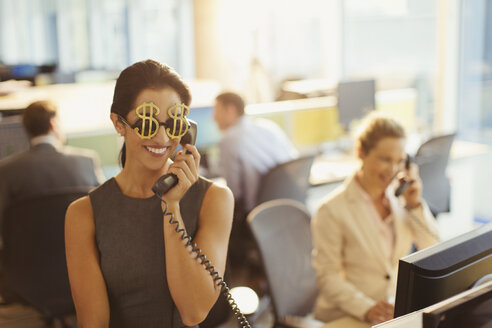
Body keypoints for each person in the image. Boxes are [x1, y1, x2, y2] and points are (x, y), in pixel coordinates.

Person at [65, 59, 234, 327]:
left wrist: (172, 206)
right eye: (146, 124)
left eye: (174, 124)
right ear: (119, 124)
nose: (163, 138)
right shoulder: (84, 213)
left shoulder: (215, 199)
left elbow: (194, 311)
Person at [311, 113, 439, 325]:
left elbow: (431, 247)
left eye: (399, 161)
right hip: (351, 314)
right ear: (361, 152)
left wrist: (415, 205)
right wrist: (367, 308)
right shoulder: (331, 210)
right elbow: (328, 278)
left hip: (393, 312)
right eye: (385, 159)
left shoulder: (401, 201)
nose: (393, 170)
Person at [0, 100, 105, 242]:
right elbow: (105, 213)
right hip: (79, 256)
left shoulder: (6, 170)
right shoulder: (87, 161)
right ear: (53, 123)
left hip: (26, 259)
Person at [213, 91, 298, 215]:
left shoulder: (228, 140)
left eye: (216, 111)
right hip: (288, 206)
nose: (214, 117)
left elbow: (233, 193)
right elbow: (293, 162)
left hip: (256, 214)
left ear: (230, 110)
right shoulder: (269, 127)